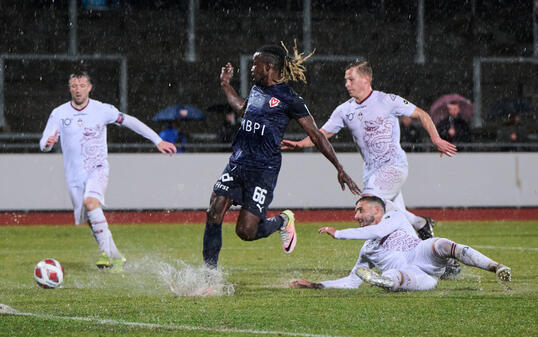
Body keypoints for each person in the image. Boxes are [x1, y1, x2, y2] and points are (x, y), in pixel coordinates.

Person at [203, 42, 361, 268]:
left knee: (246, 232)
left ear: (268, 67)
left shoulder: (290, 98)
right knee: (214, 211)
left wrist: (340, 168)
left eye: (255, 65)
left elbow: (316, 135)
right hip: (238, 163)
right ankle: (209, 276)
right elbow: (242, 108)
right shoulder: (257, 90)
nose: (251, 69)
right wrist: (225, 84)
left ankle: (281, 221)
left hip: (263, 171)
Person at [282, 61, 456, 241]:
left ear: (366, 79)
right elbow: (322, 135)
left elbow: (422, 114)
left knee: (368, 208)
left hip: (393, 165)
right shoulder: (344, 110)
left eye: (351, 79)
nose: (346, 84)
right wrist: (300, 144)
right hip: (371, 171)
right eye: (346, 80)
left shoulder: (387, 100)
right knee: (396, 218)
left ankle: (366, 264)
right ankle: (420, 234)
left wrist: (436, 139)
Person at [39, 71, 177, 272]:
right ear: (70, 88)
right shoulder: (59, 113)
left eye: (82, 85)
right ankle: (116, 257)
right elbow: (44, 142)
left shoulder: (102, 110)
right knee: (91, 219)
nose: (78, 90)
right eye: (74, 86)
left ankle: (105, 254)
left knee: (90, 203)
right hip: (74, 177)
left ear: (90, 87)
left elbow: (130, 121)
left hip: (97, 169)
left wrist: (157, 140)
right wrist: (48, 143)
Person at [291, 196, 511, 291]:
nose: (355, 216)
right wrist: (317, 285)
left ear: (377, 210)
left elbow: (377, 230)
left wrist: (338, 233)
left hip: (422, 253)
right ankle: (385, 281)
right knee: (395, 278)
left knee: (441, 243)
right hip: (420, 277)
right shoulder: (367, 249)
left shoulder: (394, 218)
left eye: (360, 210)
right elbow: (352, 281)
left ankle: (495, 266)